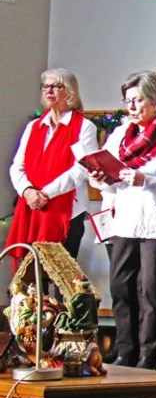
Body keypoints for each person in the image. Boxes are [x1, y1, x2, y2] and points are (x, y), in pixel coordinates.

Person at [88, 71, 156, 369]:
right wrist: (100, 178)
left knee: (151, 291)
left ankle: (147, 354)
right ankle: (125, 350)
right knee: (121, 287)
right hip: (126, 221)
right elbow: (112, 183)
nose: (132, 106)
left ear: (155, 100)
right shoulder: (119, 135)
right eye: (128, 100)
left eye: (139, 100)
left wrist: (146, 179)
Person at [7, 68, 98, 264]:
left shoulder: (84, 127)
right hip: (32, 207)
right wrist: (28, 191)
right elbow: (17, 166)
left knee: (61, 275)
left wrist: (46, 193)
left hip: (67, 212)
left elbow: (81, 169)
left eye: (56, 86)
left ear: (70, 92)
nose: (49, 91)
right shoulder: (34, 127)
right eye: (45, 86)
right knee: (30, 276)